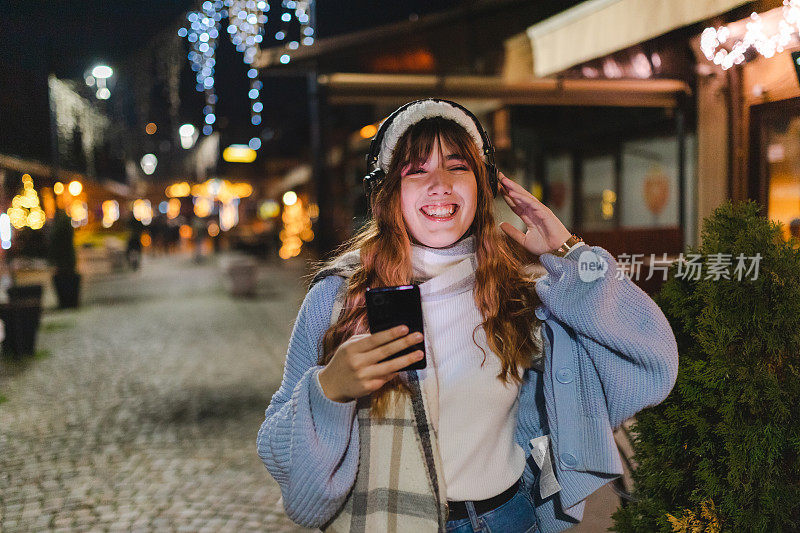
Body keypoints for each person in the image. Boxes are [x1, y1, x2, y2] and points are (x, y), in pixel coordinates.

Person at [257, 99, 679, 532]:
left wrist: (571, 254)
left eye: (457, 167)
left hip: (510, 519)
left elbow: (650, 365)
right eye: (416, 170)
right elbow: (284, 460)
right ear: (387, 193)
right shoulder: (340, 297)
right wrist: (329, 390)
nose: (439, 184)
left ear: (481, 186)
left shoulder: (516, 292)